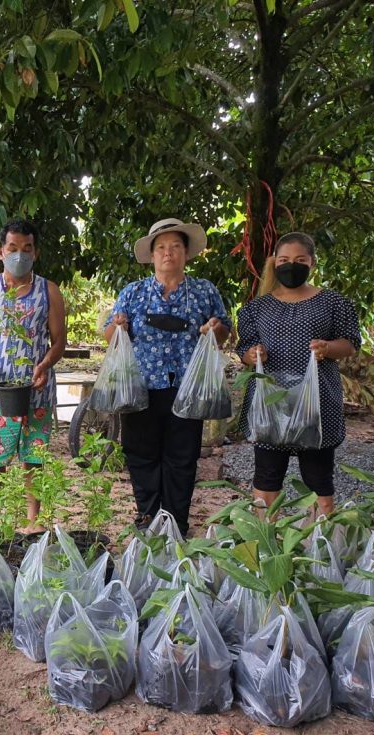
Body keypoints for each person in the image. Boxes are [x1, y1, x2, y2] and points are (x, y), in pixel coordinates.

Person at [104, 217, 230, 537]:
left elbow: (225, 332)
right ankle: (148, 516)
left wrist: (215, 329)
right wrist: (118, 326)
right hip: (142, 388)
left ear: (186, 253)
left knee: (182, 456)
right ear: (152, 254)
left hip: (187, 388)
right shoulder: (133, 293)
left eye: (175, 246)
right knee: (140, 453)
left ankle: (176, 522)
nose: (168, 253)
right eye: (161, 247)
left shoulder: (204, 291)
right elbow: (109, 333)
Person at [237, 231, 360, 516]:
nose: (291, 265)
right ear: (275, 263)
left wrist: (327, 348)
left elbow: (350, 343)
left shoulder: (333, 302)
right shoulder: (256, 308)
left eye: (299, 259)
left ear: (312, 263)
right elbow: (244, 349)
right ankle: (266, 542)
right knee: (267, 474)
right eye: (284, 260)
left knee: (318, 478)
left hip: (316, 403)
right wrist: (253, 355)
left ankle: (320, 545)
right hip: (271, 403)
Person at [0, 218, 67, 531]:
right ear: (1, 252)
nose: (20, 255)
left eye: (27, 249)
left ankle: (33, 522)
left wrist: (45, 364)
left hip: (37, 388)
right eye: (13, 248)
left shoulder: (49, 292)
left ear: (35, 253)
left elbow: (59, 341)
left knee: (33, 457)